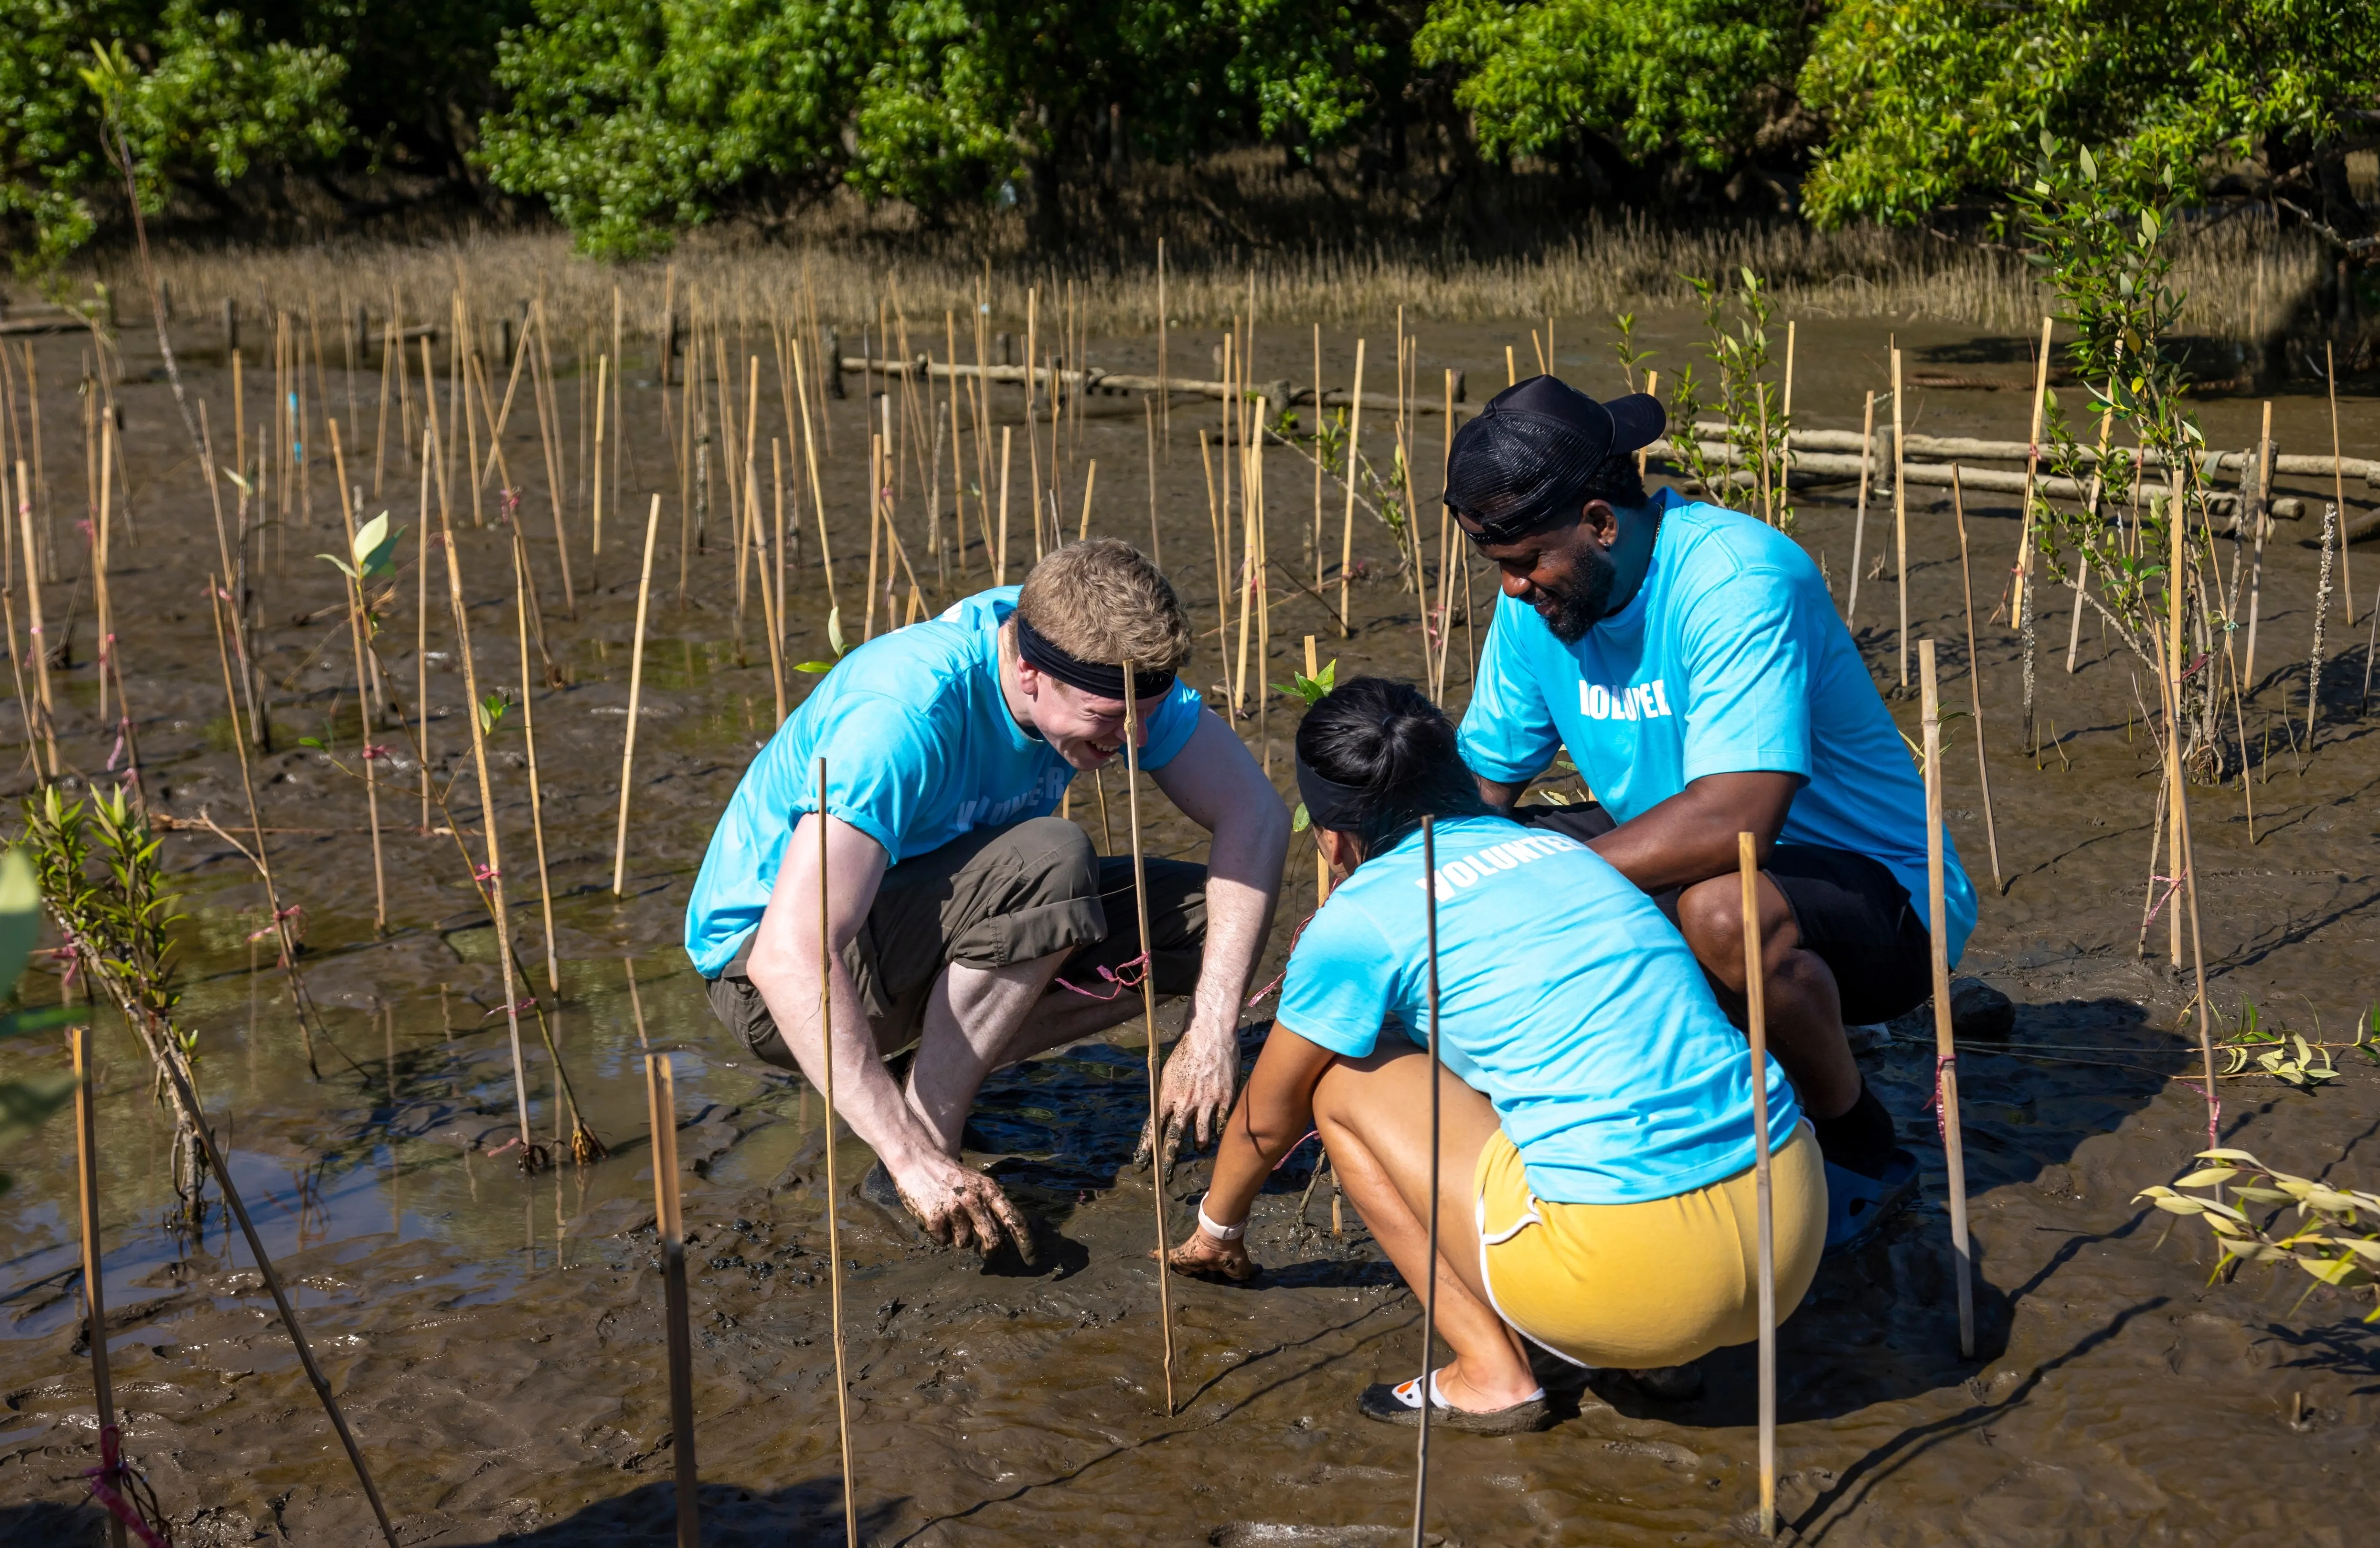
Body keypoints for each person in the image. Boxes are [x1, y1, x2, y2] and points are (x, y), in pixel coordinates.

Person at [1168, 677, 1824, 1430]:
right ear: (1457, 777)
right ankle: (1660, 1352)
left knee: (1341, 1084)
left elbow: (1271, 1116)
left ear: (1335, 839)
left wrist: (1216, 1231)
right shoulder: (1567, 854)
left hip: (1628, 1276)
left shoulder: (1361, 919)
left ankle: (1492, 1372)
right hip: (1790, 1231)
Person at [1441, 374, 1976, 1250]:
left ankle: (1861, 1145)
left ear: (1601, 522)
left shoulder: (1737, 576)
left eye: (1526, 561)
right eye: (1498, 566)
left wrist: (1537, 890)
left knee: (1720, 909)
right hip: (1685, 860)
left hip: (1880, 898)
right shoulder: (1541, 605)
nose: (1512, 589)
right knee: (1474, 861)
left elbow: (1739, 819)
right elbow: (1480, 788)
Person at [685, 538, 1289, 1256]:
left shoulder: (1101, 663)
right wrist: (914, 1164)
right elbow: (789, 958)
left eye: (1148, 715)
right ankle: (915, 1151)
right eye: (1109, 719)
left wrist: (1213, 1029)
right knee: (1051, 860)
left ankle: (919, 1085)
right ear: (1029, 673)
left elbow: (1258, 816)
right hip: (763, 979)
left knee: (1199, 923)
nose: (1136, 740)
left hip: (913, 923)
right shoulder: (902, 716)